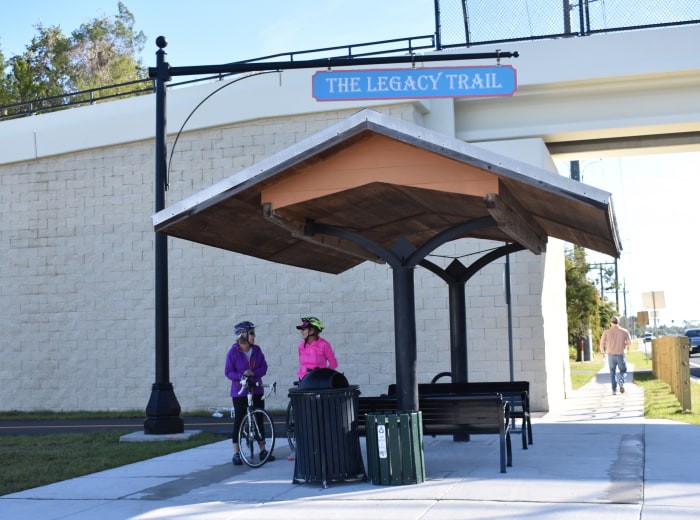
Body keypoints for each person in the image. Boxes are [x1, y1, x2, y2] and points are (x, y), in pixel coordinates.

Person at [225, 320, 274, 465]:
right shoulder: (233, 352)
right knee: (239, 420)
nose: (254, 336)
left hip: (256, 389)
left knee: (259, 418)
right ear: (243, 335)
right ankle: (236, 453)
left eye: (254, 333)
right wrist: (241, 375)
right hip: (240, 391)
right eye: (251, 333)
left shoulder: (257, 350)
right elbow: (228, 372)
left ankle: (263, 450)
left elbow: (264, 368)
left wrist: (252, 372)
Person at [599, 316, 632, 395]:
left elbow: (601, 343)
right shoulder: (624, 331)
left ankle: (614, 390)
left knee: (612, 372)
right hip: (621, 354)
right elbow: (630, 343)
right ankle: (621, 382)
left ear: (611, 322)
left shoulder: (606, 332)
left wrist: (602, 353)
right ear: (619, 322)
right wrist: (623, 344)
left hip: (611, 355)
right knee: (623, 371)